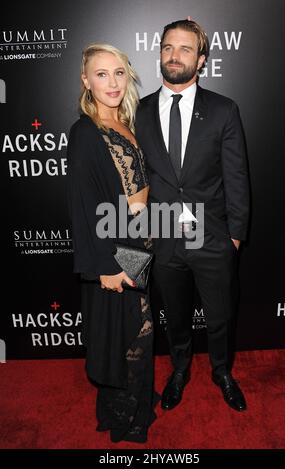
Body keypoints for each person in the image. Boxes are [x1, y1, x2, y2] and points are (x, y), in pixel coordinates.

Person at [135, 20, 250, 412]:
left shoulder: (223, 110)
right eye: (168, 47)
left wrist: (234, 237)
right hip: (163, 237)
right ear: (160, 52)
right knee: (175, 316)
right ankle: (179, 370)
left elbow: (236, 177)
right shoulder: (139, 111)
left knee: (220, 316)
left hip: (212, 237)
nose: (174, 55)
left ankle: (222, 371)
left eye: (185, 49)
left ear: (201, 60)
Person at [67, 43, 158, 443]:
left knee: (138, 328)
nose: (112, 82)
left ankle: (135, 401)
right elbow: (83, 204)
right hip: (116, 248)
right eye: (101, 74)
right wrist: (105, 266)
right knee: (129, 334)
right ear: (86, 81)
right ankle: (126, 418)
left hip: (139, 240)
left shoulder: (125, 122)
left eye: (119, 72)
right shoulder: (86, 132)